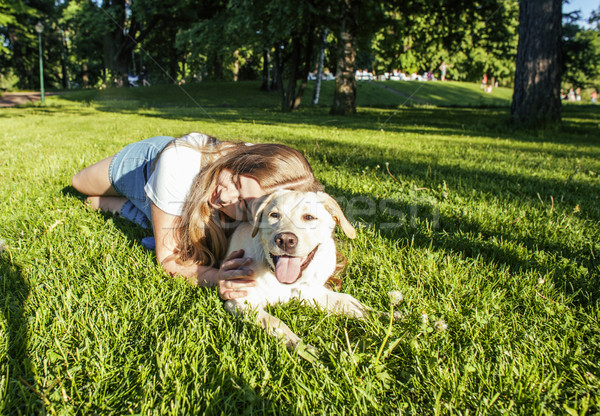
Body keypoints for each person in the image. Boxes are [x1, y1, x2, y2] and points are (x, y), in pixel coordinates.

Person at [71, 133, 323, 300]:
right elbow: (168, 258)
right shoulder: (179, 161)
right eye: (234, 180)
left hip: (174, 194)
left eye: (244, 205)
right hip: (146, 164)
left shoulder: (268, 201)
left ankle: (141, 208)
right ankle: (142, 203)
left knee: (170, 220)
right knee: (79, 183)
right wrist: (217, 278)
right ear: (240, 159)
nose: (225, 196)